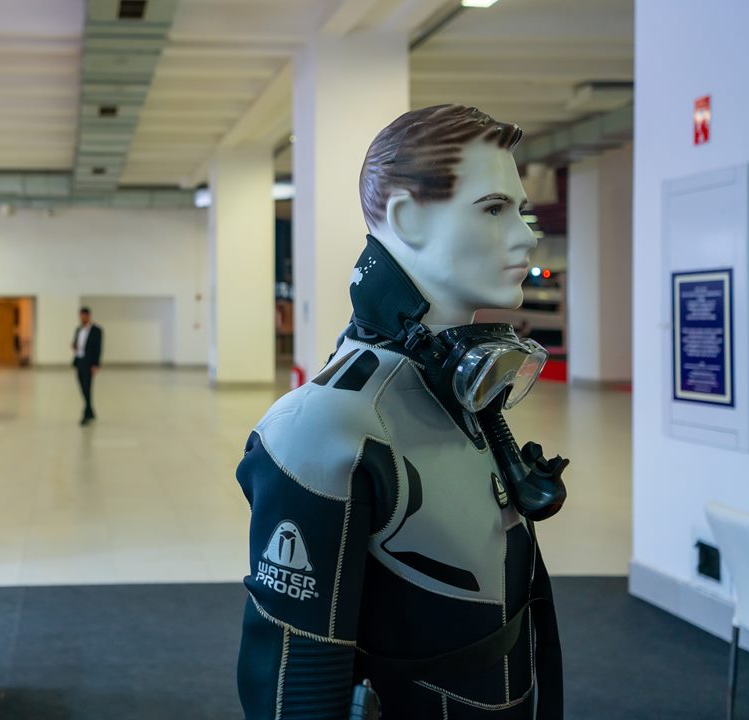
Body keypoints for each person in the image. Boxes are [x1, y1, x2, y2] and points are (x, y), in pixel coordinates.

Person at [236, 105, 568, 719]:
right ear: (407, 219)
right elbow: (294, 684)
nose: (526, 236)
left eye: (520, 210)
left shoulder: (452, 392)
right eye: (494, 208)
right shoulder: (325, 429)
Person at [71, 306, 103, 425]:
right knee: (82, 387)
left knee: (87, 388)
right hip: (79, 361)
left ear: (89, 316)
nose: (82, 318)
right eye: (81, 315)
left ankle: (86, 414)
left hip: (89, 363)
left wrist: (96, 364)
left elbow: (99, 348)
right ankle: (90, 411)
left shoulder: (97, 330)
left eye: (84, 315)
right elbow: (76, 342)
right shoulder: (78, 329)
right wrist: (74, 346)